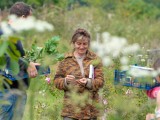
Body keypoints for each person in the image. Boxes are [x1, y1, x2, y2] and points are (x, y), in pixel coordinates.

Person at [0, 2, 39, 120]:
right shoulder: (5, 33)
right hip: (8, 92)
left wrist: (32, 65)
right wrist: (28, 64)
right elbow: (6, 59)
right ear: (22, 18)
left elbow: (16, 60)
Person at [54, 28, 104, 120]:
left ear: (88, 44)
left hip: (90, 110)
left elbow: (100, 82)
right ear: (74, 43)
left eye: (85, 44)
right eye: (78, 44)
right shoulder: (65, 59)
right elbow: (56, 81)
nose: (81, 47)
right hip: (70, 111)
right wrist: (66, 81)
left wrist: (88, 82)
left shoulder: (95, 59)